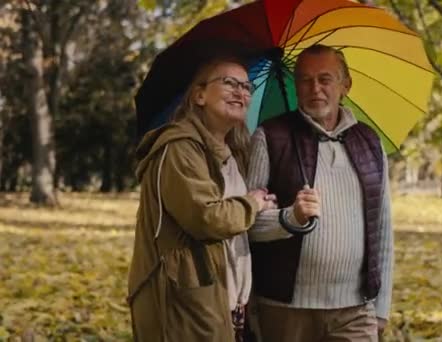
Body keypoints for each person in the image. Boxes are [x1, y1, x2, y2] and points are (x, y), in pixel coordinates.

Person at [247, 44, 394, 341]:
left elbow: (383, 229)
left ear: (345, 85)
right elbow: (245, 225)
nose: (315, 88)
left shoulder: (369, 141)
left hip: (355, 310)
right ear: (296, 86)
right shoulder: (270, 136)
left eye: (325, 79)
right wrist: (291, 218)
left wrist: (381, 308)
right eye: (305, 79)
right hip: (284, 309)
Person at [127, 55, 277, 342]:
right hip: (183, 304)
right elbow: (207, 218)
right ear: (199, 95)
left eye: (247, 87)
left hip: (225, 301)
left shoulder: (230, 153)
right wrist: (253, 203)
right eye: (229, 83)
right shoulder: (180, 149)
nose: (240, 92)